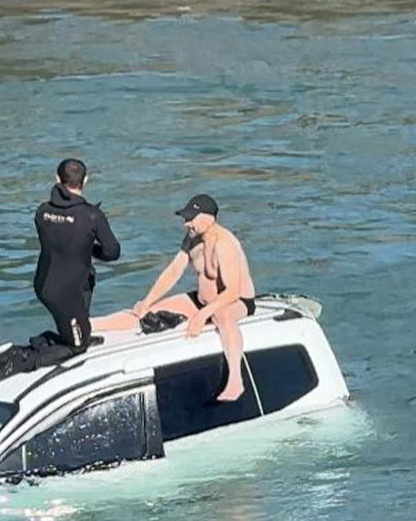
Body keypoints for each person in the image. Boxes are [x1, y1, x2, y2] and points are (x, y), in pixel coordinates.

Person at [93, 194, 257, 401]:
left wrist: (202, 315)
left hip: (236, 301)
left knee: (222, 316)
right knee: (147, 312)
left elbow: (232, 290)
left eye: (191, 218)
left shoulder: (225, 244)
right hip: (202, 301)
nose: (186, 223)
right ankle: (91, 326)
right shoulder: (192, 239)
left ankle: (235, 380)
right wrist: (147, 301)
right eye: (185, 218)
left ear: (208, 218)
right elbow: (173, 272)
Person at [32, 158, 120, 359]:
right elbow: (112, 252)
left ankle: (79, 333)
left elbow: (60, 240)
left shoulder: (42, 212)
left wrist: (81, 246)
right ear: (85, 180)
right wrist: (90, 249)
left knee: (79, 325)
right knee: (78, 348)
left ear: (57, 179)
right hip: (68, 293)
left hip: (43, 284)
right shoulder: (92, 216)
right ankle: (31, 359)